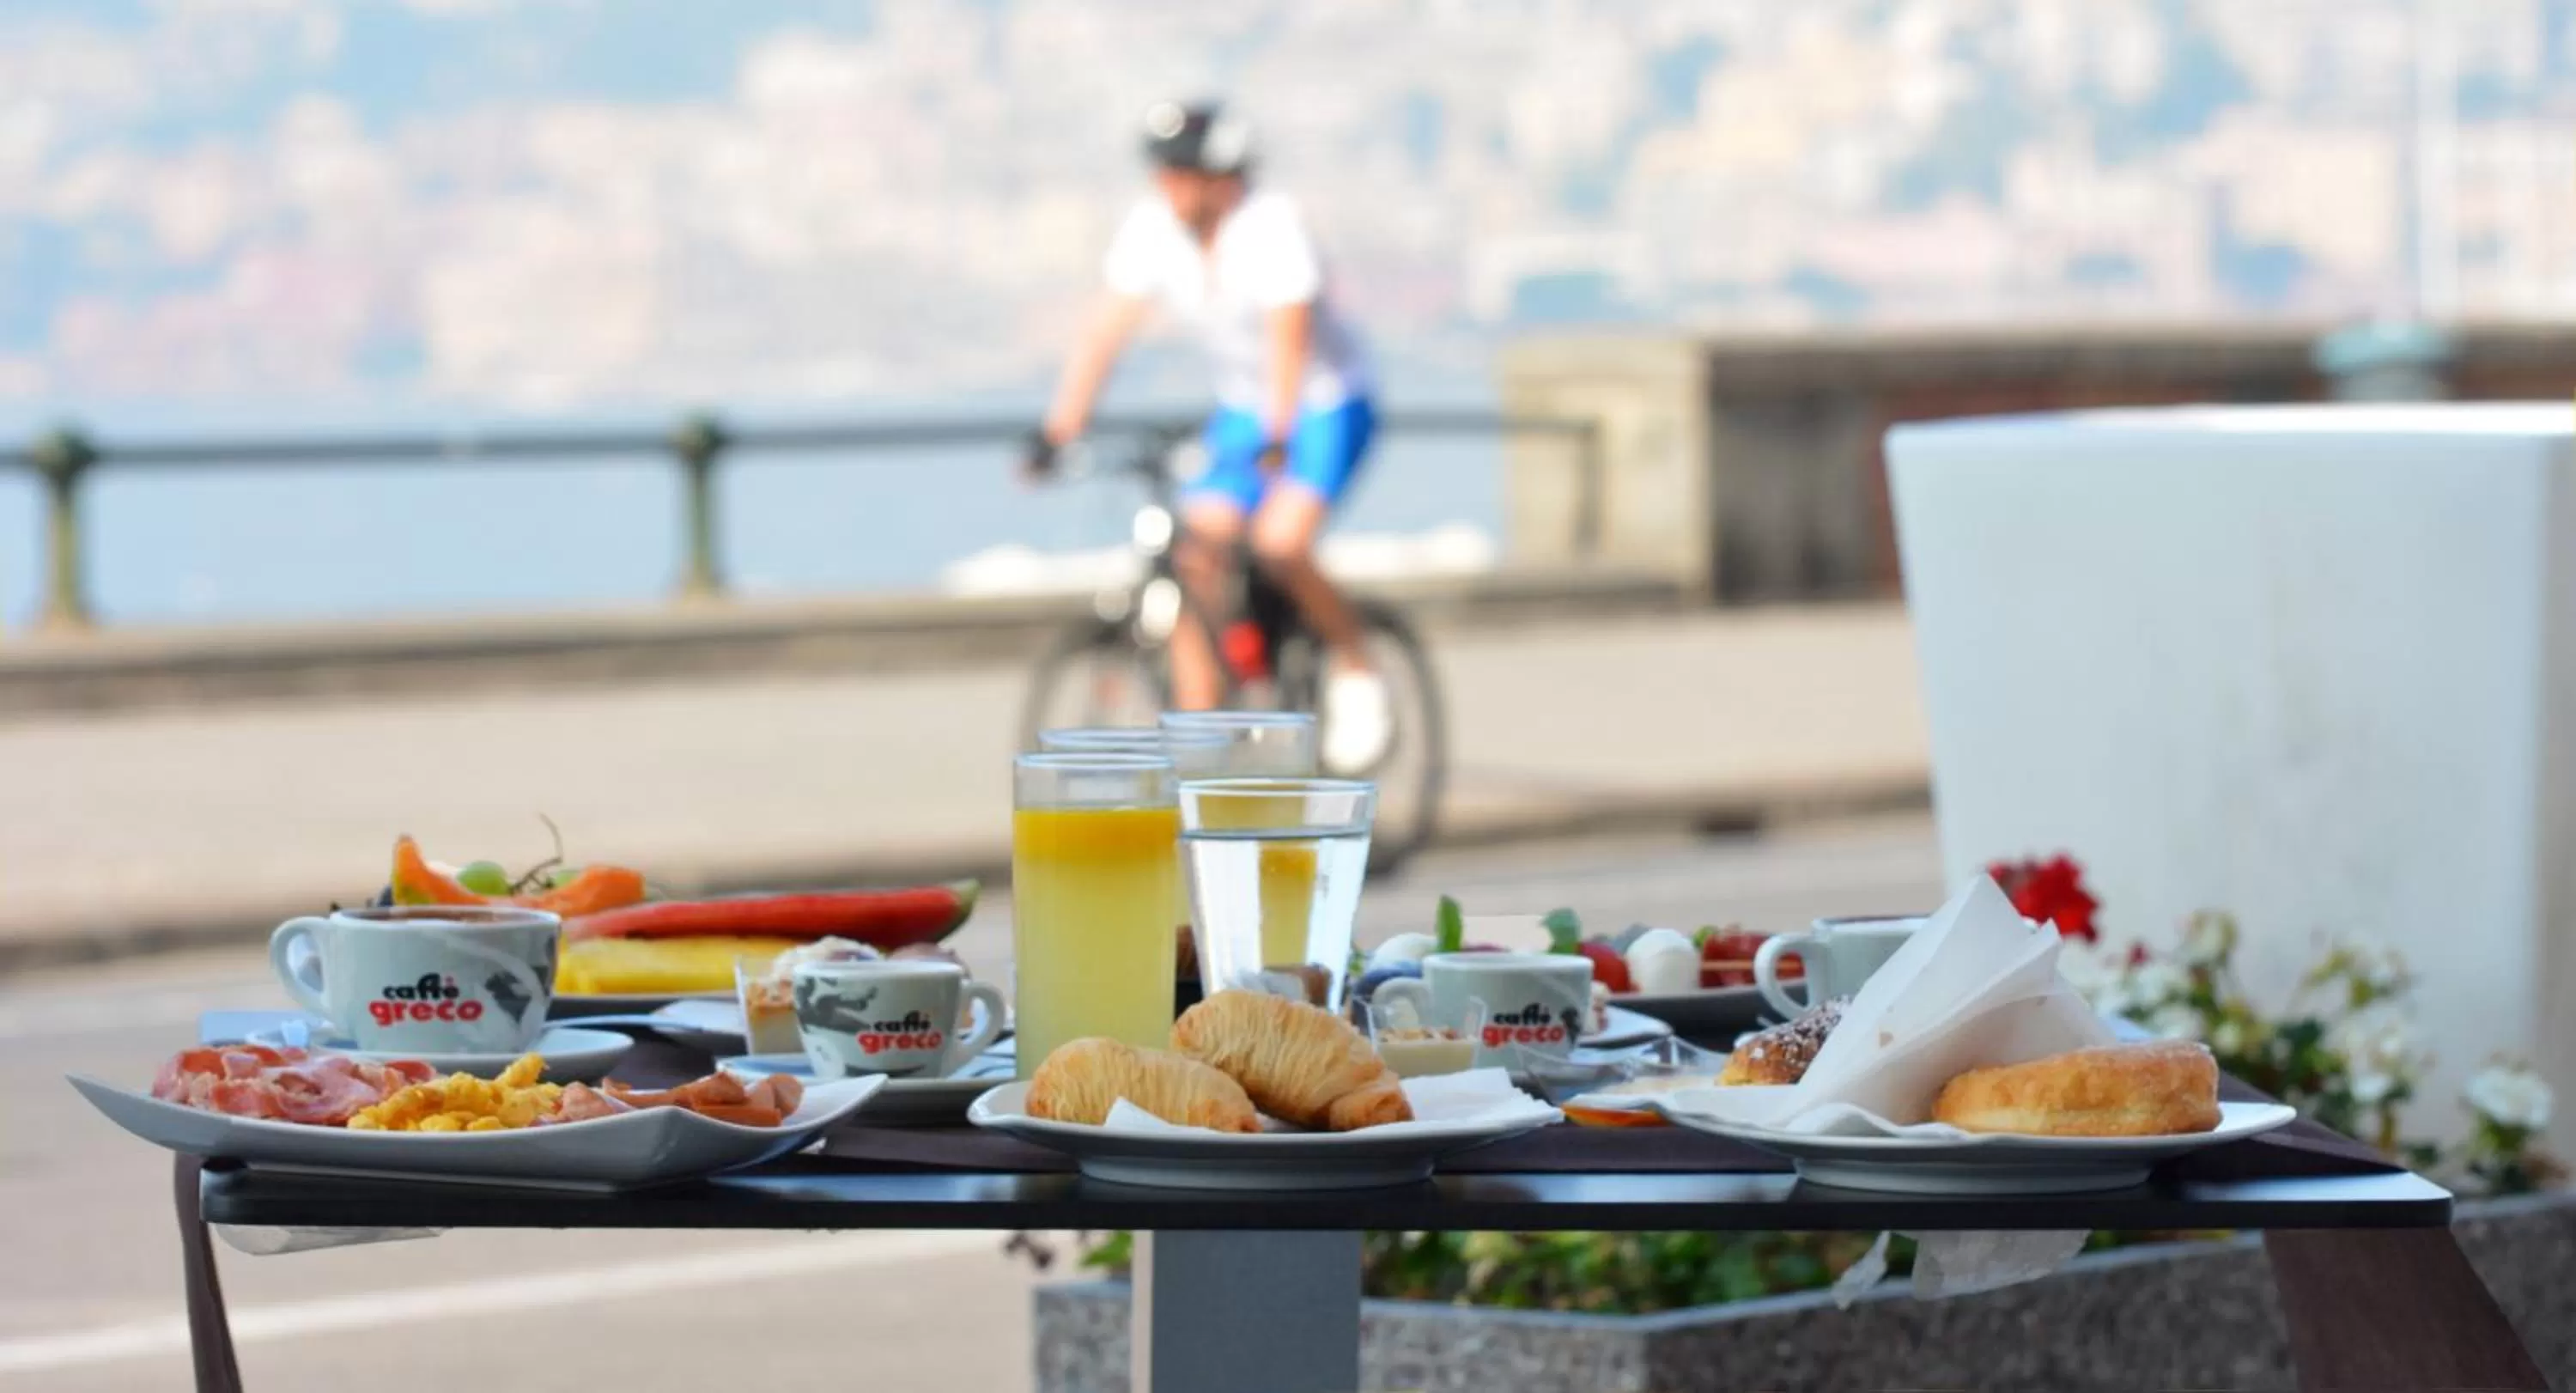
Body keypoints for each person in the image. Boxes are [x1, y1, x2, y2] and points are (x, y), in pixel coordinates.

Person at [1028, 99, 1389, 774]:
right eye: (1164, 173)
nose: (1170, 187)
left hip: (1323, 403)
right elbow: (1105, 330)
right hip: (1246, 407)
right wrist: (1059, 428)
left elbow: (1291, 338)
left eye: (1185, 173)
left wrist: (1279, 436)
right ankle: (1203, 723)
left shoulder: (1270, 228)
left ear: (1224, 178)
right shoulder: (1153, 229)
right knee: (1193, 553)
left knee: (1281, 542)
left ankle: (1357, 667)